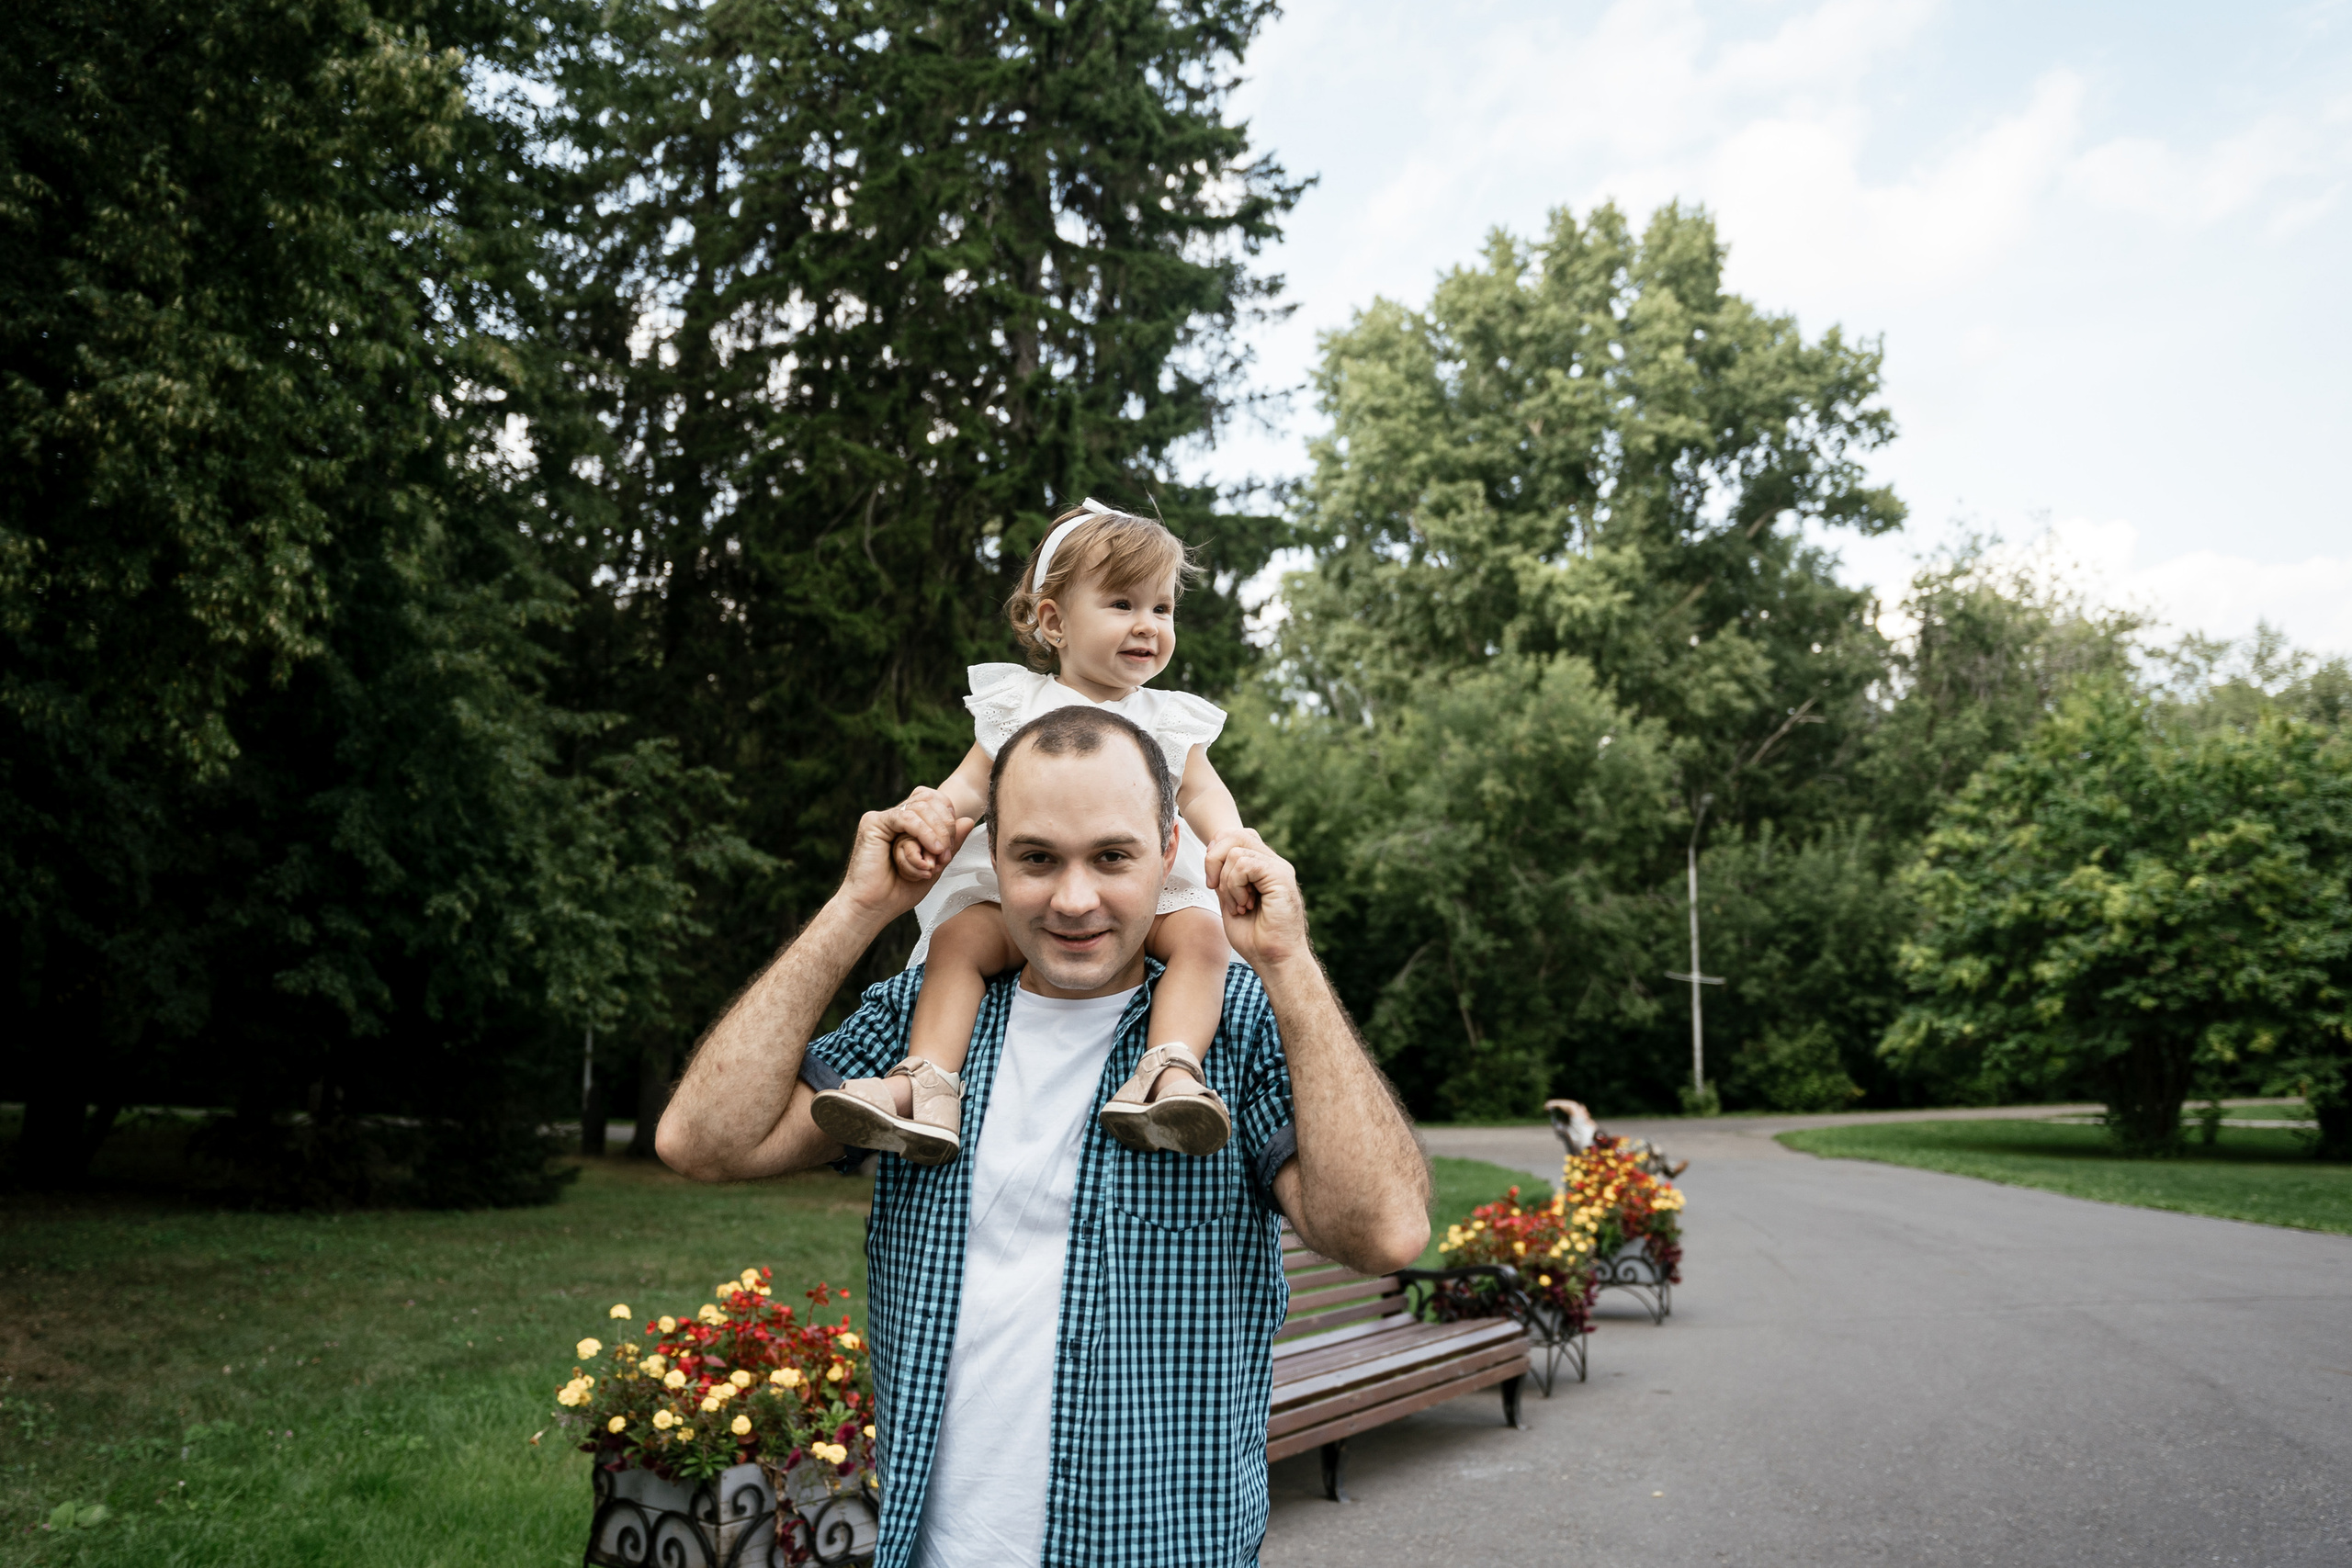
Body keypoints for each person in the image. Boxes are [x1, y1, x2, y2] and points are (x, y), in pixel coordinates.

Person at [657, 702, 1429, 1568]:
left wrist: (1290, 964)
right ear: (992, 857)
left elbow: (1385, 1231)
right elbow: (705, 1140)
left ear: (1169, 851)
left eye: (1112, 856)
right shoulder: (928, 1030)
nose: (1073, 898)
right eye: (1035, 858)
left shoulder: (1237, 1030)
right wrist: (858, 905)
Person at [807, 499, 1245, 1166]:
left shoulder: (1167, 717)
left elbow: (1203, 791)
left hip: (1142, 900)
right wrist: (928, 817)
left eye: (1162, 608)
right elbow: (964, 788)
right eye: (1123, 604)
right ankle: (925, 1082)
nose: (1148, 626)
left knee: (1204, 936)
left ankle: (1169, 1070)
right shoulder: (1019, 705)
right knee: (958, 939)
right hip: (1024, 899)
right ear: (1054, 620)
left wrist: (1234, 842)